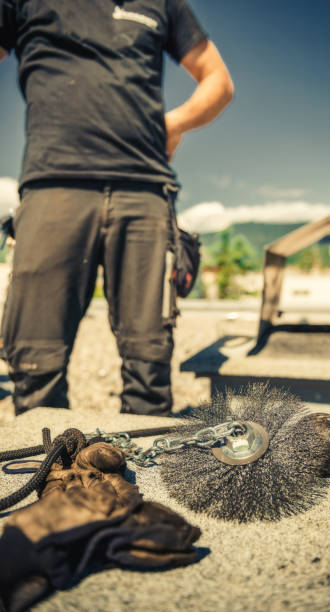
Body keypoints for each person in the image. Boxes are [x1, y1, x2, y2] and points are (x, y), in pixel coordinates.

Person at [0, 0, 233, 416]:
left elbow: (218, 81)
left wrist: (174, 123)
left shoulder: (163, 4)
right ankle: (50, 469)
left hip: (143, 189)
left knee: (150, 367)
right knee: (36, 364)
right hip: (53, 185)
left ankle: (146, 473)